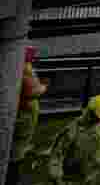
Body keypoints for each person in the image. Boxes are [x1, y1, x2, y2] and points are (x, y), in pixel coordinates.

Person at [45, 94, 100, 184]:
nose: (99, 120)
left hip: (92, 172)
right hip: (72, 177)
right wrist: (56, 176)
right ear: (90, 112)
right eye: (98, 118)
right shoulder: (72, 130)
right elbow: (57, 154)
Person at [7, 47, 48, 185]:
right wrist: (43, 87)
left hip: (22, 112)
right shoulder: (24, 71)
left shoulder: (17, 67)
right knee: (17, 150)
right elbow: (33, 91)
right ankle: (12, 178)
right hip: (24, 115)